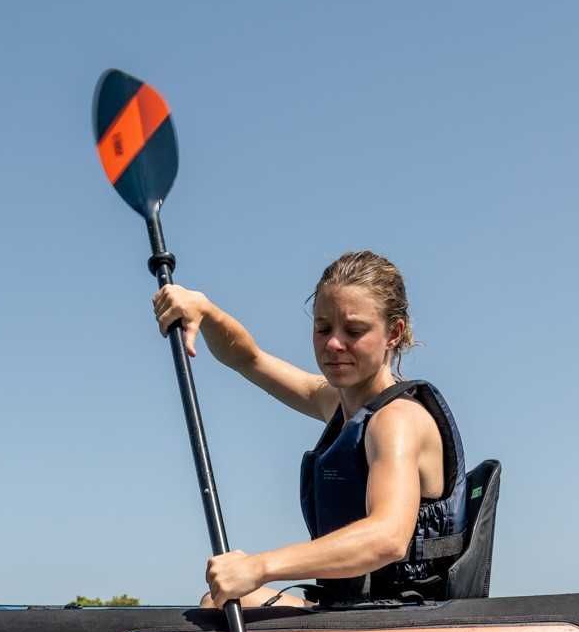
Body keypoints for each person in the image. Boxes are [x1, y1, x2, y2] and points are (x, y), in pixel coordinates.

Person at [152, 251, 468, 608]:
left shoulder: (396, 420)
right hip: (350, 610)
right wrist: (205, 311)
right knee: (217, 602)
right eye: (322, 328)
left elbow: (387, 538)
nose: (334, 344)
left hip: (399, 620)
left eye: (354, 331)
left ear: (393, 333)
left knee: (230, 599)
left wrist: (260, 566)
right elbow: (249, 358)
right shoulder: (337, 403)